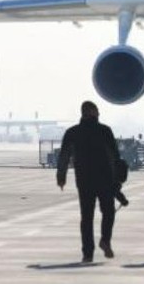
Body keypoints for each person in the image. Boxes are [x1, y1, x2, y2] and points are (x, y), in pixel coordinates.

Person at [57, 101, 120, 263]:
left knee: (86, 217)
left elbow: (64, 156)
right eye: (97, 110)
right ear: (91, 112)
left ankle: (88, 253)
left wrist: (61, 177)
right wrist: (118, 178)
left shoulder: (73, 132)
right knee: (109, 212)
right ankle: (105, 240)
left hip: (84, 180)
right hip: (105, 179)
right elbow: (115, 156)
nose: (99, 113)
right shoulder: (105, 131)